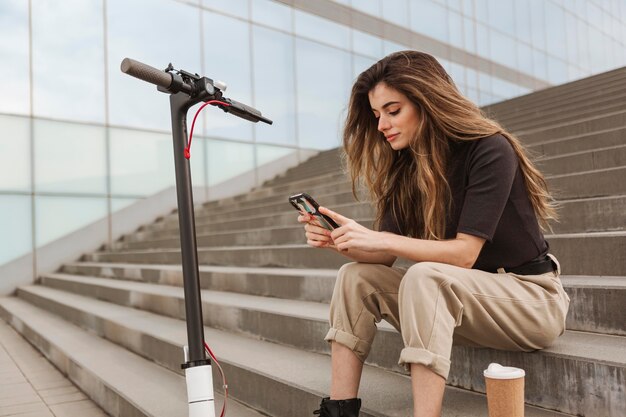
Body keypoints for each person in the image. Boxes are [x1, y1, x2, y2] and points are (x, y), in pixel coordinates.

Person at [298, 51, 570, 417]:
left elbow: (464, 255)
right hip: (467, 301)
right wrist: (341, 240)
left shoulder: (489, 149)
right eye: (377, 115)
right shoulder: (406, 167)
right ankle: (339, 410)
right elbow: (383, 257)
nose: (381, 125)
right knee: (355, 276)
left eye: (393, 111)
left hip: (530, 300)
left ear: (427, 102)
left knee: (425, 276)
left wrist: (380, 239)